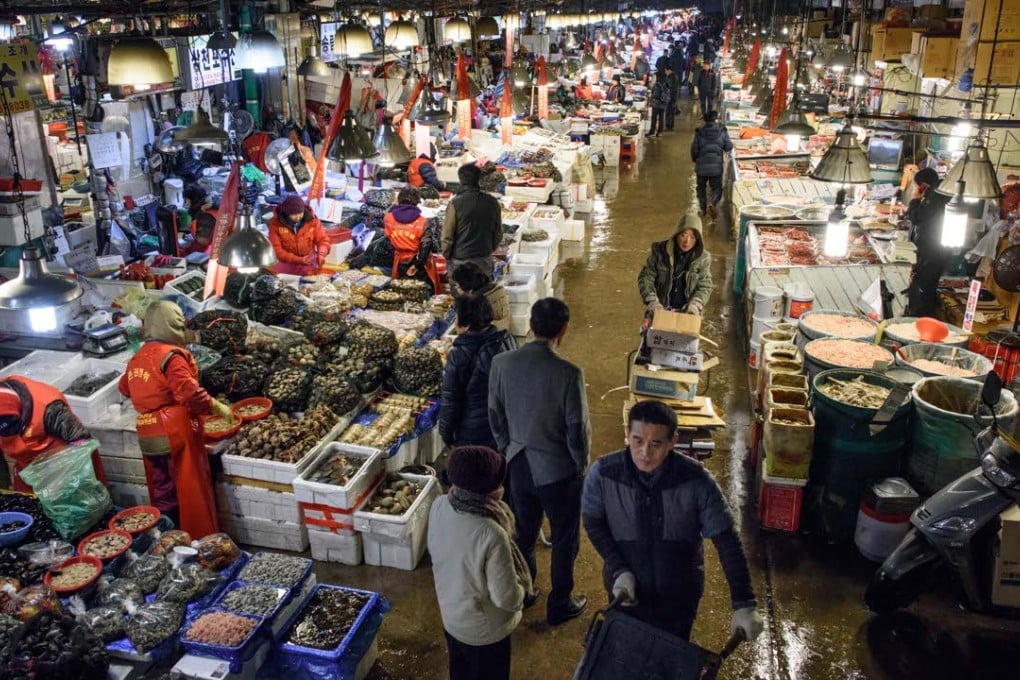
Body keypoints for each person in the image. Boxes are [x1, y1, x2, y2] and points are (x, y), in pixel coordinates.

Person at [581, 400, 764, 642]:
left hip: (678, 599)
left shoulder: (697, 481)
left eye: (656, 443)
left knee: (671, 656)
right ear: (627, 433)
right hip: (626, 593)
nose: (645, 453)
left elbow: (727, 540)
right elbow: (593, 522)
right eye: (637, 440)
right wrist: (618, 568)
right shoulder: (603, 474)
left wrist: (744, 603)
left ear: (672, 441)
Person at [488, 298, 591, 626]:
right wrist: (580, 466)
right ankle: (559, 603)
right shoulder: (569, 374)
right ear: (563, 330)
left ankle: (526, 589)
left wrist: (508, 448)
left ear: (531, 324)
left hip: (518, 465)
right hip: (558, 471)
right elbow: (577, 430)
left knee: (523, 532)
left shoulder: (502, 363)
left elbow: (495, 414)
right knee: (564, 537)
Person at [119, 300, 231, 537]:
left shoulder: (137, 357)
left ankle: (167, 536)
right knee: (190, 485)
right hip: (175, 427)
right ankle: (199, 537)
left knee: (162, 487)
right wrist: (216, 406)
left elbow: (125, 388)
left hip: (148, 430)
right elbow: (188, 391)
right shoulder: (171, 356)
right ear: (172, 324)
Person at [428, 446, 530, 680]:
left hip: (452, 617)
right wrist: (522, 591)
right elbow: (506, 598)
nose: (502, 488)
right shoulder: (492, 533)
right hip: (485, 633)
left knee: (460, 672)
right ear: (488, 491)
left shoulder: (440, 505)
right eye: (497, 484)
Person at [0, 377, 107, 493]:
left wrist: (70, 478)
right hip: (27, 467)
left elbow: (82, 441)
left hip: (63, 462)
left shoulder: (49, 408)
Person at [440, 296, 517, 451]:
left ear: (467, 324)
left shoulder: (459, 355)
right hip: (503, 426)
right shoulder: (506, 340)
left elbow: (450, 402)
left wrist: (446, 434)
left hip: (472, 431)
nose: (454, 322)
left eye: (456, 317)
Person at [638, 213, 713, 316]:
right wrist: (652, 302)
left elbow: (705, 285)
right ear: (676, 234)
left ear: (698, 240)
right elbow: (646, 277)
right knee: (652, 331)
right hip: (660, 310)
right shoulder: (660, 251)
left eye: (693, 237)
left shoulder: (703, 258)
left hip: (687, 313)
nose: (687, 241)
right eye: (683, 235)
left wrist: (696, 304)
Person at [905, 167, 952, 316]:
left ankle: (920, 319)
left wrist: (914, 200)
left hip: (932, 252)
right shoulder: (939, 192)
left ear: (923, 186)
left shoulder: (935, 194)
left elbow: (916, 217)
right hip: (936, 251)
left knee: (924, 291)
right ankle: (921, 317)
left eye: (916, 186)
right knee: (926, 288)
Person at [443, 163, 503, 276]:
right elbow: (498, 232)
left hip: (460, 259)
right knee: (482, 290)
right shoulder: (492, 202)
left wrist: (447, 255)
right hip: (483, 257)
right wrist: (489, 249)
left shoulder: (455, 204)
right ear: (479, 179)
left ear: (461, 180)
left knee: (460, 290)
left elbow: (447, 236)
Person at [267, 194, 330, 276]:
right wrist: (298, 260)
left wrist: (321, 254)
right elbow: (276, 250)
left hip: (309, 262)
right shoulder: (275, 223)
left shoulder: (312, 221)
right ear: (286, 213)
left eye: (300, 213)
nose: (298, 217)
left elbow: (323, 240)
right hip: (286, 265)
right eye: (293, 215)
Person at [691, 110, 732, 219]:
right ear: (715, 119)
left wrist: (696, 160)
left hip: (701, 166)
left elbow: (694, 149)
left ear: (704, 120)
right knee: (717, 189)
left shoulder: (699, 132)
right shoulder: (722, 131)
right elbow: (728, 146)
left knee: (701, 189)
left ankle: (703, 209)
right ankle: (712, 203)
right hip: (716, 166)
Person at [384, 187, 429, 279]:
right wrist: (417, 265)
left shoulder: (388, 218)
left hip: (396, 260)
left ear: (399, 199)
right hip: (415, 262)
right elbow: (426, 246)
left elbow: (387, 237)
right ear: (417, 201)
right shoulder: (423, 222)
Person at [452, 261, 510, 331]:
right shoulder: (497, 290)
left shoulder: (476, 305)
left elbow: (463, 330)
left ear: (469, 289)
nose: (456, 288)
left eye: (458, 286)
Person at [181, 185, 218, 256]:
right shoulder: (206, 208)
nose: (187, 203)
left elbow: (202, 242)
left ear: (191, 199)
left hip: (210, 253)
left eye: (187, 200)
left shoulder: (205, 215)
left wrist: (185, 252)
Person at [648, 72, 671, 138]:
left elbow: (655, 94)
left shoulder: (657, 85)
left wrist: (651, 97)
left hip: (656, 104)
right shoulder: (666, 84)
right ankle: (659, 132)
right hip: (663, 104)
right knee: (661, 119)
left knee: (654, 118)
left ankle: (652, 132)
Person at [664, 66, 680, 131]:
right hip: (671, 97)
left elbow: (671, 88)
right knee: (669, 112)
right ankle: (669, 126)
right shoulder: (671, 76)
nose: (665, 72)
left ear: (669, 70)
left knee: (670, 112)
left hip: (671, 97)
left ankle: (669, 126)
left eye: (666, 71)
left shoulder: (672, 77)